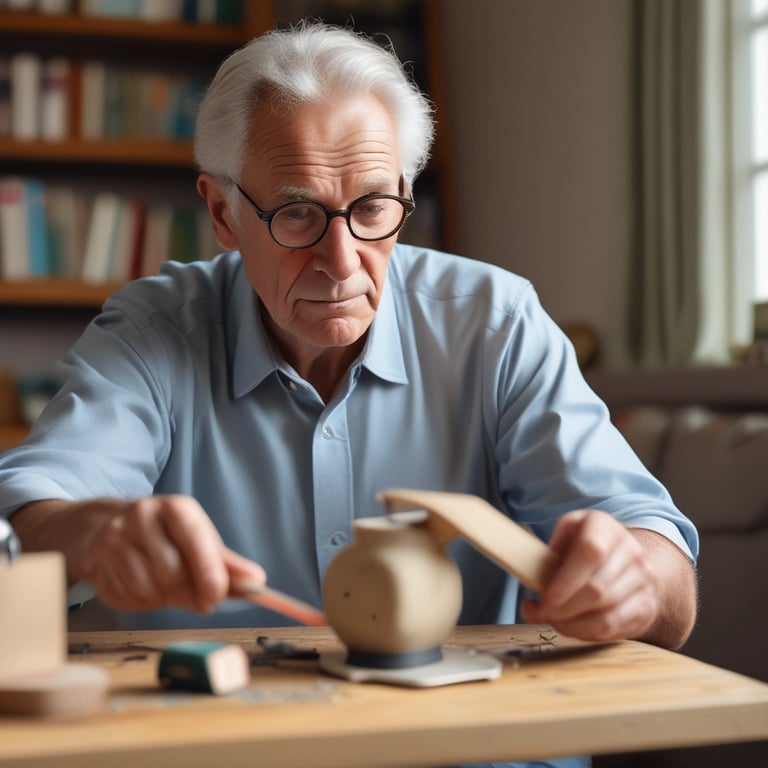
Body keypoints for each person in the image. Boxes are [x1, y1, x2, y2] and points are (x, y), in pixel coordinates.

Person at [0, 24, 697, 765]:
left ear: (404, 194)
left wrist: (633, 578)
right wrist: (94, 533)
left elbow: (669, 582)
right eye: (297, 212)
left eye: (372, 208)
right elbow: (25, 518)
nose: (341, 261)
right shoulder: (155, 331)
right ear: (224, 212)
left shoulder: (496, 324)